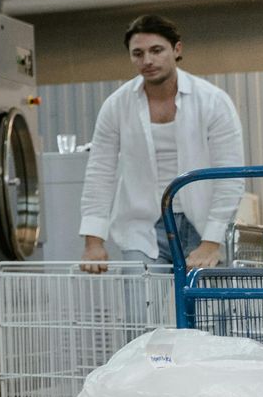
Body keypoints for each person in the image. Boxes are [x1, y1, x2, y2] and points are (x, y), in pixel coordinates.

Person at [79, 14, 243, 272]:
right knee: (140, 309)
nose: (147, 61)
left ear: (177, 49)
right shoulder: (116, 106)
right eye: (138, 53)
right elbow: (99, 172)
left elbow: (230, 175)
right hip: (141, 224)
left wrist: (212, 242)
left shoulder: (213, 101)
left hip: (202, 224)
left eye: (156, 50)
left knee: (203, 311)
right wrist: (93, 241)